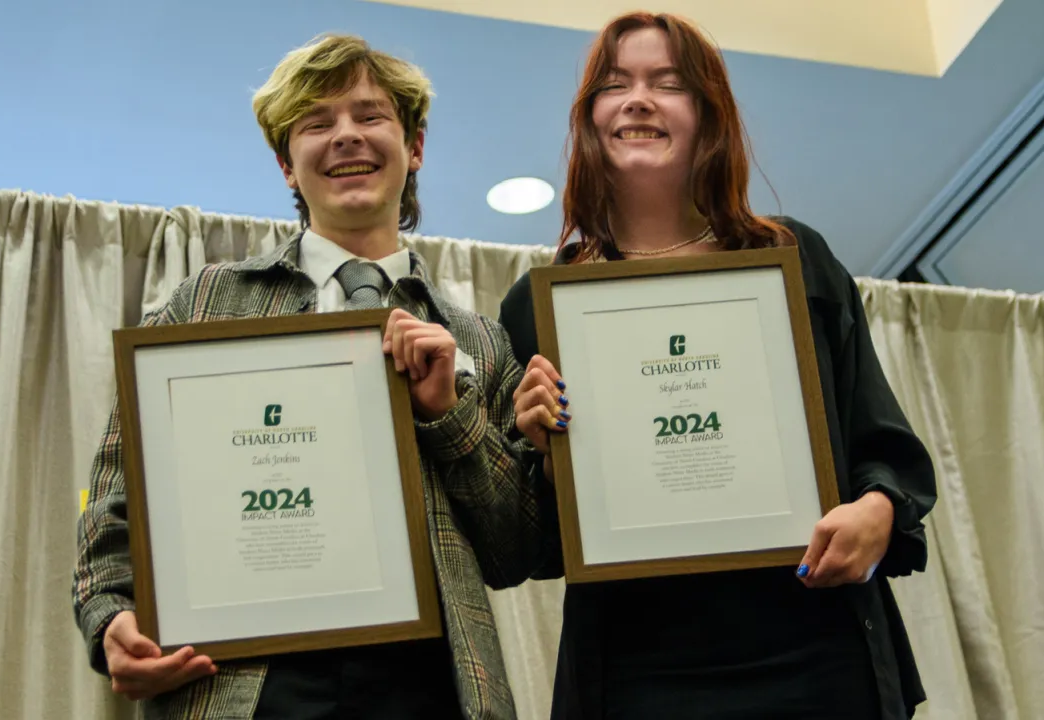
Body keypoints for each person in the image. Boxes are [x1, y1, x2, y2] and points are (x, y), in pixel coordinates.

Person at [74, 34, 543, 720]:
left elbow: (516, 552)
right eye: (317, 123)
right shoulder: (204, 305)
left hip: (431, 685)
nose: (345, 136)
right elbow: (117, 491)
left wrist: (448, 415)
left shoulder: (479, 342)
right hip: (241, 684)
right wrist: (109, 613)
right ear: (286, 165)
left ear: (414, 147)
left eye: (369, 115)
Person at [498, 12, 938, 720]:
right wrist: (543, 454)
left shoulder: (795, 262)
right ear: (590, 120)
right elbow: (533, 544)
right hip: (635, 670)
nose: (637, 99)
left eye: (667, 84)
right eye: (615, 85)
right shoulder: (538, 307)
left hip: (817, 646)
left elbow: (882, 444)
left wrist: (878, 514)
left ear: (709, 116)